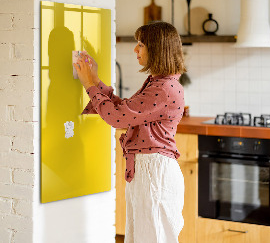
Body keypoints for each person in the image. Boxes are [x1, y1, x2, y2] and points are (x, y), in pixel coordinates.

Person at [73, 21, 186, 243]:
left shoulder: (163, 88)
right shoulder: (159, 83)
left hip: (154, 173)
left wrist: (89, 85)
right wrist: (95, 80)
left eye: (141, 44)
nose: (135, 49)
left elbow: (117, 118)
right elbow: (125, 111)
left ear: (157, 48)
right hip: (148, 171)